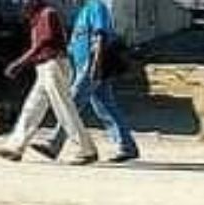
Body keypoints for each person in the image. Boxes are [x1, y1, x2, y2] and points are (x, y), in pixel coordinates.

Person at [31, 0, 139, 164]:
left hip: (91, 65)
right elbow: (76, 43)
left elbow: (101, 35)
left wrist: (96, 64)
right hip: (83, 66)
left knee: (71, 104)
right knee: (105, 107)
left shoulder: (96, 6)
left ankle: (55, 143)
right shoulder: (83, 12)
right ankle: (127, 146)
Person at [0, 0, 98, 165]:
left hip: (53, 65)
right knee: (32, 108)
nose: (22, 5)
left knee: (64, 108)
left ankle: (86, 149)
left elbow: (42, 43)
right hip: (45, 67)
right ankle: (15, 147)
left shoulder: (47, 13)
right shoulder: (38, 16)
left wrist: (19, 63)